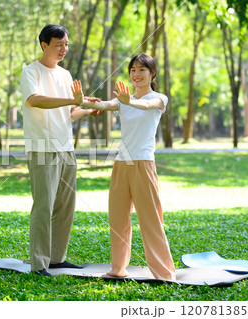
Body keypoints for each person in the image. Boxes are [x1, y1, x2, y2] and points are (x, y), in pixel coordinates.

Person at [72, 53, 176, 280]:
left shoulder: (160, 98)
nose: (136, 74)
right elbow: (104, 104)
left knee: (150, 219)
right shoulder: (122, 100)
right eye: (133, 70)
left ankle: (165, 272)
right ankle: (118, 268)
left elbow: (148, 104)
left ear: (152, 73)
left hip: (143, 163)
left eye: (142, 70)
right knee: (118, 218)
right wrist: (81, 101)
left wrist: (131, 102)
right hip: (122, 163)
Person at [20, 24, 103, 277]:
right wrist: (73, 100)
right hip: (42, 148)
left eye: (66, 44)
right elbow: (36, 100)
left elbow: (69, 112)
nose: (64, 49)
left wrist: (87, 110)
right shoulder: (30, 72)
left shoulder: (66, 75)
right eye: (59, 44)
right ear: (44, 45)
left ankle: (57, 258)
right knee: (44, 206)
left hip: (66, 147)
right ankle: (39, 263)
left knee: (66, 206)